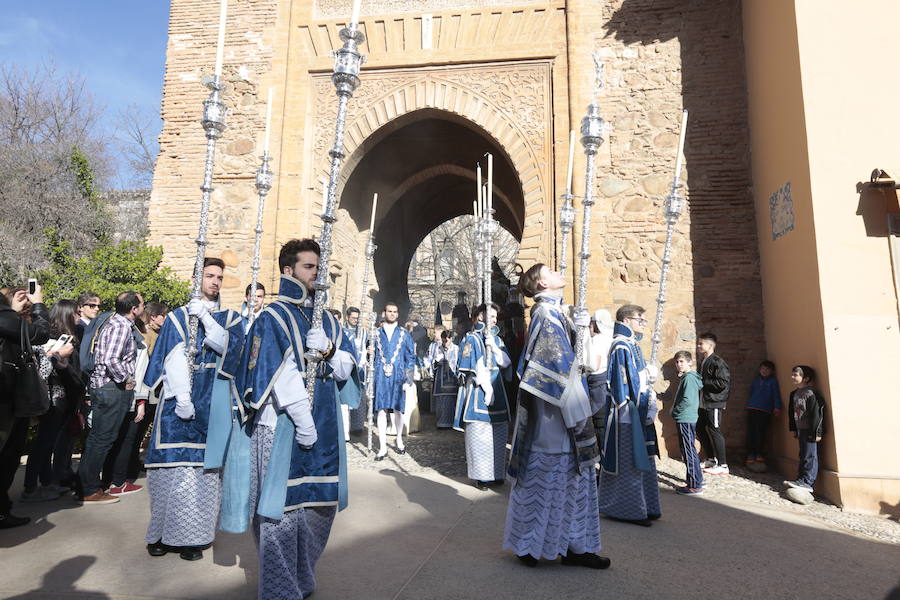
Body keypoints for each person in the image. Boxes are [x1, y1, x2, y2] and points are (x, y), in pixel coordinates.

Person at [232, 238, 360, 600]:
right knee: (280, 511)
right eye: (309, 267)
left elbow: (346, 368)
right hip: (283, 425)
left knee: (319, 505)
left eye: (319, 267)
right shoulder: (273, 316)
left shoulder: (327, 320)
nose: (316, 274)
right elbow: (277, 371)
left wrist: (329, 349)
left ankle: (302, 576)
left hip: (326, 426)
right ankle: (279, 588)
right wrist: (302, 417)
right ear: (288, 270)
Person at [503, 263, 608, 569]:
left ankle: (575, 545)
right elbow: (557, 370)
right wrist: (577, 416)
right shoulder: (546, 315)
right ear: (541, 283)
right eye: (551, 270)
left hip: (567, 404)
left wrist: (581, 330)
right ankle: (530, 544)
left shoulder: (557, 313)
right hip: (556, 412)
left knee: (573, 480)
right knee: (548, 478)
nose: (558, 270)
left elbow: (581, 362)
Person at [142, 257, 245, 561]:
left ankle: (193, 539)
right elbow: (165, 359)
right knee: (169, 471)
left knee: (202, 473)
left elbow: (232, 350)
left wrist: (208, 320)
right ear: (196, 277)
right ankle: (159, 534)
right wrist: (180, 397)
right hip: (177, 406)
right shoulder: (176, 318)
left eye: (219, 277)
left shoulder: (231, 318)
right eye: (209, 275)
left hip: (211, 405)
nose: (214, 281)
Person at [597, 304, 661, 527]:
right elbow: (622, 381)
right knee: (629, 462)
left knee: (645, 458)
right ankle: (629, 509)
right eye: (639, 319)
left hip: (638, 408)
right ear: (626, 320)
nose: (642, 324)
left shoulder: (632, 344)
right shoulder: (621, 345)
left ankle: (647, 505)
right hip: (626, 411)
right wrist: (644, 377)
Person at [77, 291, 143, 505]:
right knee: (102, 440)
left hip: (106, 388)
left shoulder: (112, 321)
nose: (143, 307)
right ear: (134, 308)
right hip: (110, 389)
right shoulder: (121, 325)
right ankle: (89, 489)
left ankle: (86, 485)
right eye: (141, 304)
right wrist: (126, 379)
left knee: (98, 439)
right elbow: (110, 359)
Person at [0, 284, 50, 528]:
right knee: (7, 456)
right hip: (6, 401)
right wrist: (39, 304)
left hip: (9, 398)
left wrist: (11, 310)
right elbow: (40, 334)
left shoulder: (5, 317)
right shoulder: (4, 318)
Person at [22, 300, 80, 502]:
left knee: (46, 445)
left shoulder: (35, 339)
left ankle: (46, 485)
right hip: (47, 399)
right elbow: (42, 371)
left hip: (56, 397)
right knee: (42, 446)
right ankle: (30, 489)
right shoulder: (30, 340)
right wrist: (57, 355)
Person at [454, 303, 511, 489]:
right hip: (479, 390)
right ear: (479, 317)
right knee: (480, 433)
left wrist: (494, 348)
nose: (493, 320)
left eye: (495, 317)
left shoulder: (498, 339)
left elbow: (506, 362)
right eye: (489, 316)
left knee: (498, 433)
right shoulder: (471, 338)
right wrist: (487, 387)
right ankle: (482, 476)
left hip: (498, 389)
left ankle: (497, 473)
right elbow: (474, 366)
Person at [372, 301, 416, 460]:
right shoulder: (375, 333)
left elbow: (410, 357)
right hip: (381, 376)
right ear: (384, 313)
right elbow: (371, 356)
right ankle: (383, 447)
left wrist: (408, 379)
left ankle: (398, 439)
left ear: (398, 314)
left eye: (395, 311)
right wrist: (369, 351)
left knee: (398, 409)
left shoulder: (404, 334)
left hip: (398, 377)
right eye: (389, 311)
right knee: (381, 410)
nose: (392, 314)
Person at [784, 365, 825, 493]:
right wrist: (794, 429)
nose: (792, 377)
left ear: (806, 378)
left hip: (810, 430)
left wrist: (817, 432)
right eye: (793, 374)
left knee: (810, 455)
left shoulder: (811, 393)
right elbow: (792, 412)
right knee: (802, 455)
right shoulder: (794, 394)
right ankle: (800, 479)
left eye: (796, 374)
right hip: (800, 429)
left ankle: (808, 481)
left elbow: (817, 414)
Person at [696, 332, 731, 475]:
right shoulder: (703, 361)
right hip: (704, 402)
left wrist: (702, 382)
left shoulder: (718, 362)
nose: (698, 346)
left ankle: (723, 465)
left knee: (714, 430)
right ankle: (711, 459)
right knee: (699, 428)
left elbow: (722, 383)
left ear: (710, 345)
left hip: (714, 403)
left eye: (701, 343)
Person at [670, 350, 703, 495]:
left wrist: (676, 411)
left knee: (688, 450)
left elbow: (687, 400)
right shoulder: (687, 377)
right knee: (689, 449)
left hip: (685, 417)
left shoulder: (689, 378)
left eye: (682, 361)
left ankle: (694, 485)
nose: (679, 364)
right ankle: (697, 479)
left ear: (689, 362)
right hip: (687, 417)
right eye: (677, 362)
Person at [745, 360, 782, 467]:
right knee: (751, 432)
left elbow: (776, 395)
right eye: (762, 369)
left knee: (761, 432)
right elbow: (752, 393)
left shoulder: (773, 382)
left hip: (764, 410)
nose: (764, 371)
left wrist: (777, 407)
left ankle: (759, 453)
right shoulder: (756, 381)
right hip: (752, 408)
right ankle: (750, 454)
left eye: (767, 369)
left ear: (771, 371)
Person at [343, 306, 367, 436]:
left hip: (360, 369)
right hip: (346, 369)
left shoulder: (363, 332)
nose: (355, 321)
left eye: (357, 318)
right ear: (347, 317)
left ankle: (357, 427)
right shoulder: (342, 331)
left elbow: (368, 346)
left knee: (360, 397)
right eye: (353, 318)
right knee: (347, 397)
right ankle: (346, 428)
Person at [427, 329, 458, 429]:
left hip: (452, 378)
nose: (446, 342)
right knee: (441, 401)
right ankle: (441, 423)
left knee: (451, 401)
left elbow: (458, 362)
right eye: (444, 340)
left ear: (451, 339)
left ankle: (452, 422)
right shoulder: (438, 348)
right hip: (441, 379)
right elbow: (432, 361)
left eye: (448, 340)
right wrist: (436, 363)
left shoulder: (456, 349)